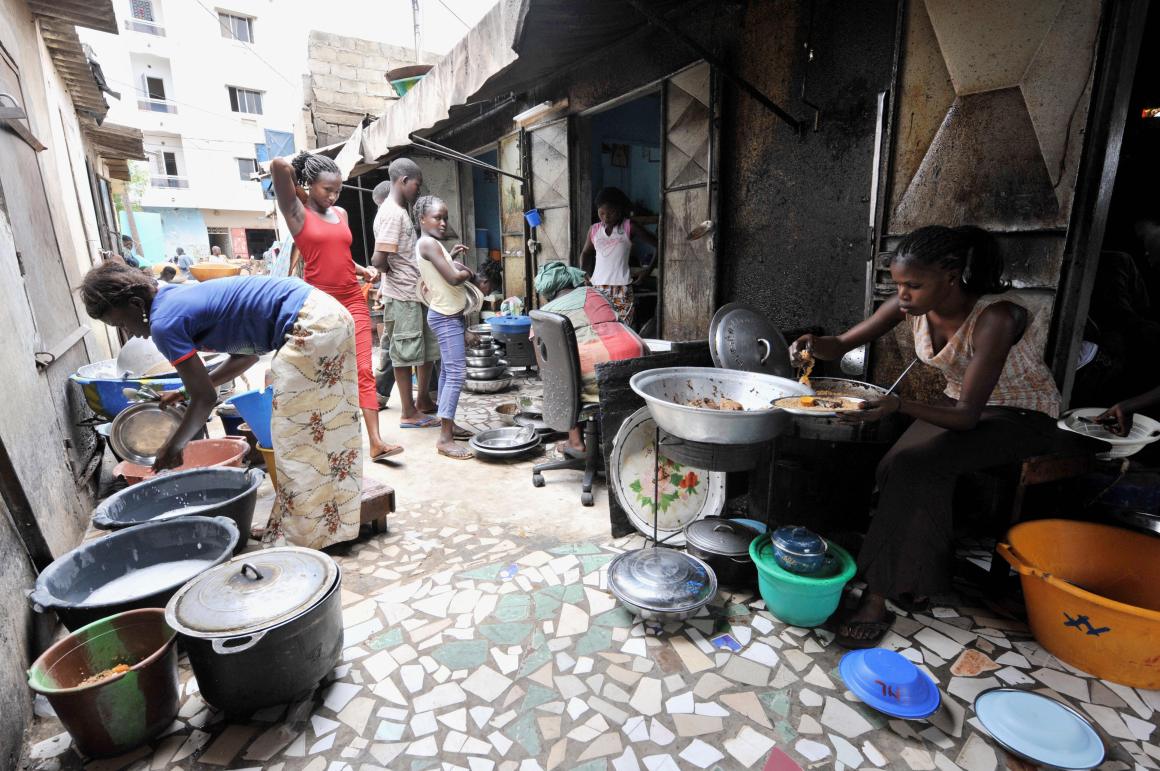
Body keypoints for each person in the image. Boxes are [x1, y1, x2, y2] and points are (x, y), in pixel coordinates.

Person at [788, 226, 1088, 648]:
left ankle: (877, 597)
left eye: (913, 284)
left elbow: (967, 418)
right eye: (898, 284)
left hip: (1020, 415)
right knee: (892, 466)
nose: (903, 294)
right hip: (960, 405)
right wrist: (812, 345)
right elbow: (839, 345)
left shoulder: (997, 317)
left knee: (914, 465)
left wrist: (897, 405)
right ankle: (922, 581)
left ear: (951, 277)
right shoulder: (911, 305)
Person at [79, 262, 362, 549]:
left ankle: (305, 539)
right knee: (322, 431)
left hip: (310, 326)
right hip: (327, 314)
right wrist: (186, 391)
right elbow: (246, 357)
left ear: (136, 303)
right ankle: (315, 524)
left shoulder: (162, 323)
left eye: (121, 324)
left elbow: (205, 399)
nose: (129, 333)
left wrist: (173, 447)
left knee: (297, 438)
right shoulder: (171, 300)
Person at [271, 151, 402, 462]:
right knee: (324, 371)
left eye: (337, 190)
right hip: (320, 302)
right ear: (308, 186)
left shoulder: (341, 214)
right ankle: (325, 436)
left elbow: (339, 253)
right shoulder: (296, 211)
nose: (332, 196)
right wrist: (302, 177)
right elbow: (278, 166)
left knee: (363, 370)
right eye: (326, 189)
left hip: (353, 297)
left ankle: (375, 441)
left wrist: (361, 270)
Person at [533, 260, 646, 457]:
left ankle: (575, 442)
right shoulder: (595, 293)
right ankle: (625, 440)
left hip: (600, 375)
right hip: (638, 361)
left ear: (547, 292)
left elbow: (546, 367)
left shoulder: (544, 315)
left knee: (562, 376)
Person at [371, 160, 440, 428]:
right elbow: (379, 260)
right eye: (416, 185)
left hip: (415, 294)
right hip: (402, 296)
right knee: (404, 352)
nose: (417, 190)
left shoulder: (400, 212)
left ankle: (422, 401)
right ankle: (408, 412)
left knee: (425, 351)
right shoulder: (392, 214)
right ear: (403, 180)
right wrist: (393, 270)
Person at [415, 195, 475, 459]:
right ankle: (444, 438)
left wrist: (449, 256)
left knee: (448, 373)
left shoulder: (432, 245)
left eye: (445, 218)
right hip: (446, 317)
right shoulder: (428, 243)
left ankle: (447, 422)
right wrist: (468, 273)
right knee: (456, 373)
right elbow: (453, 278)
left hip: (447, 313)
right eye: (437, 217)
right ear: (422, 219)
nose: (443, 223)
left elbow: (440, 271)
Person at [579, 187, 658, 326]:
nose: (606, 217)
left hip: (622, 289)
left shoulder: (629, 227)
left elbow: (658, 244)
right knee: (600, 327)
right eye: (602, 213)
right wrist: (584, 273)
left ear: (620, 210)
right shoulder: (594, 230)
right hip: (597, 288)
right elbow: (586, 253)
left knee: (622, 329)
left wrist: (648, 270)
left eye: (611, 212)